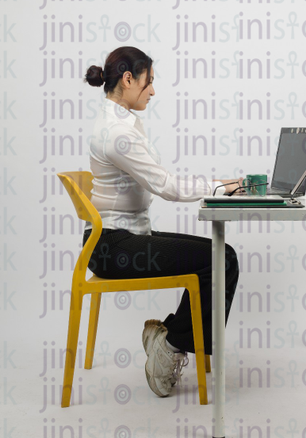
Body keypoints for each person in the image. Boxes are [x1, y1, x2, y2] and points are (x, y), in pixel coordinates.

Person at [83, 46, 242, 399]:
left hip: (120, 240)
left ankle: (168, 338)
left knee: (222, 255)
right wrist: (219, 187)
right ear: (128, 80)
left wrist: (219, 186)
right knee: (221, 259)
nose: (153, 91)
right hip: (113, 250)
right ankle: (169, 348)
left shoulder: (121, 123)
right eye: (148, 82)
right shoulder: (117, 133)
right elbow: (166, 186)